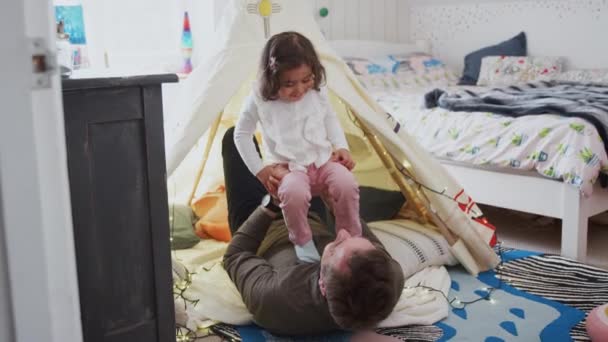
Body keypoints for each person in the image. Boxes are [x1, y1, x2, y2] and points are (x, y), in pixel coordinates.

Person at [222, 127, 405, 336]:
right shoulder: (390, 280)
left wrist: (272, 205)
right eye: (355, 240)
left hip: (263, 227)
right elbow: (366, 245)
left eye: (336, 248)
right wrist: (333, 203)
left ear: (323, 285)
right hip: (308, 213)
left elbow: (234, 255)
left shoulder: (275, 297)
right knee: (307, 139)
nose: (342, 234)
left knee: (235, 135)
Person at [234, 31, 361, 263]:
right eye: (289, 84)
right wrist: (261, 170)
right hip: (288, 168)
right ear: (272, 80)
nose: (300, 89)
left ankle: (349, 237)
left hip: (322, 161)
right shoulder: (260, 99)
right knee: (293, 194)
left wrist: (341, 147)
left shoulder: (318, 91)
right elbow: (241, 134)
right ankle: (302, 240)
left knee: (347, 184)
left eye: (306, 79)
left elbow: (330, 118)